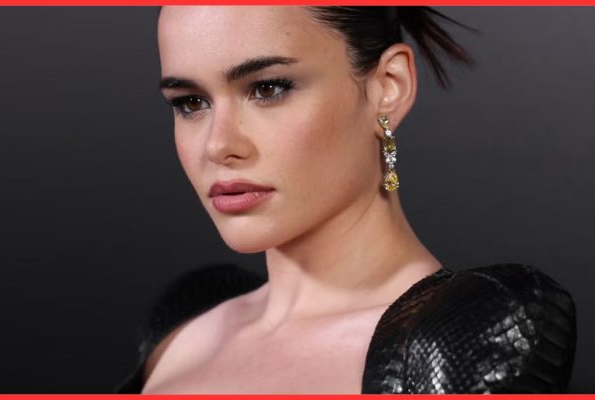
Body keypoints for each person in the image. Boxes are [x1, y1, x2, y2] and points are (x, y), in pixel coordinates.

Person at [116, 6, 576, 394]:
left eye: (268, 88)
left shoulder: (463, 336)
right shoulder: (185, 321)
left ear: (388, 86)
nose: (218, 146)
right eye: (190, 102)